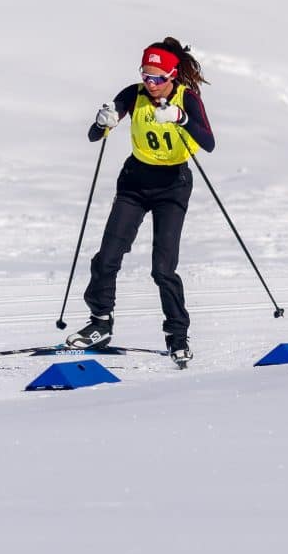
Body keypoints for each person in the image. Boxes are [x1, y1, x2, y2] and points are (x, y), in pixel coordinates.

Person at [65, 37, 215, 367]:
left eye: (158, 78)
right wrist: (103, 122)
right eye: (146, 75)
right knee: (107, 257)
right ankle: (100, 323)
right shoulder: (133, 95)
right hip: (135, 182)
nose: (151, 83)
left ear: (173, 75)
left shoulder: (185, 98)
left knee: (163, 269)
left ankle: (178, 335)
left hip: (173, 185)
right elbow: (95, 134)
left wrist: (181, 118)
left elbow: (209, 142)